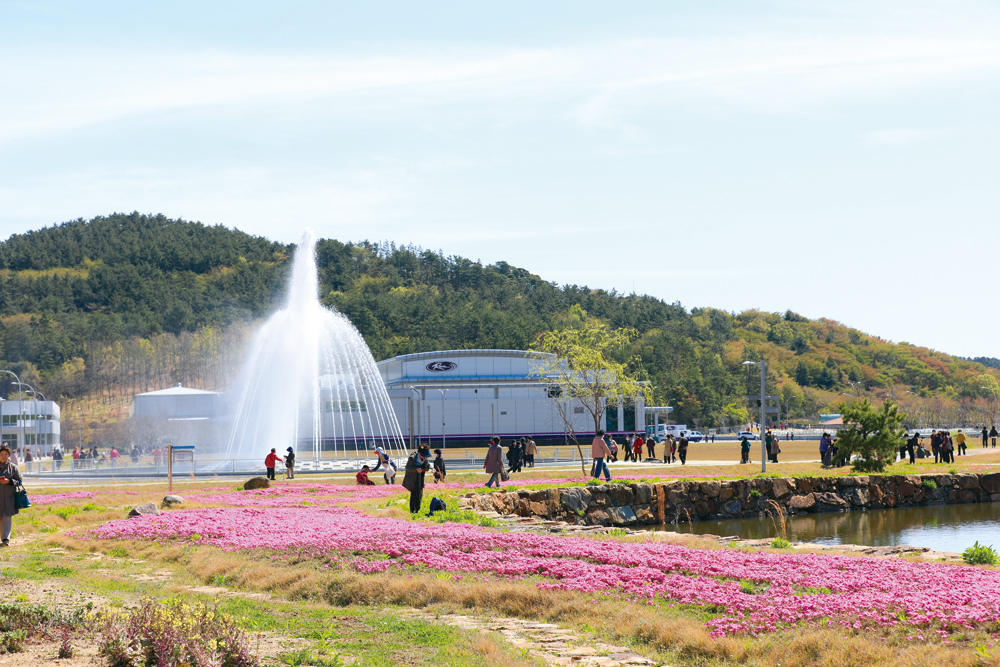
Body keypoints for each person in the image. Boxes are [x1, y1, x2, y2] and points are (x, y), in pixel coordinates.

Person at [0, 445, 22, 547]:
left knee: (7, 518)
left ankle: (5, 539)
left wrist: (9, 481)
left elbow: (19, 481)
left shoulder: (13, 467)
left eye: (6, 454)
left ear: (9, 455)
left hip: (9, 498)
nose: (4, 456)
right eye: (1, 454)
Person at [402, 445, 431, 513]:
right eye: (422, 455)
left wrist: (432, 469)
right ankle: (412, 511)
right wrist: (416, 470)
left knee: (419, 495)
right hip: (413, 479)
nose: (423, 457)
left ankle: (417, 510)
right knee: (414, 495)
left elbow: (428, 465)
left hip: (420, 479)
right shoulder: (413, 457)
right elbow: (408, 468)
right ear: (419, 453)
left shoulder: (425, 458)